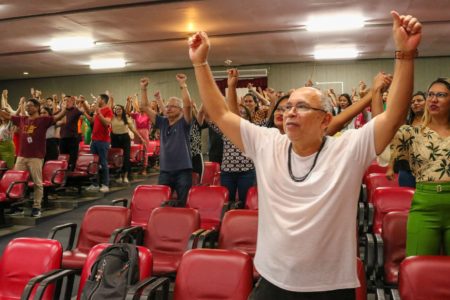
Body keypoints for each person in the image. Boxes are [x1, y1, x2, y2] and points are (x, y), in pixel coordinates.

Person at [188, 10, 421, 299]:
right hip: (273, 279)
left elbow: (394, 115)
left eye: (301, 107)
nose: (289, 112)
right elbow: (221, 113)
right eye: (287, 107)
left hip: (330, 285)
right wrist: (200, 62)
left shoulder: (348, 149)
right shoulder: (267, 143)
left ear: (325, 120)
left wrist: (404, 55)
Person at [388, 78, 450, 256]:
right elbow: (382, 126)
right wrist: (376, 93)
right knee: (418, 265)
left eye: (441, 95)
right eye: (430, 95)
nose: (433, 99)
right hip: (424, 206)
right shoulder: (411, 133)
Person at [0, 98, 67, 217]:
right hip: (21, 156)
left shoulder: (43, 120)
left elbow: (57, 117)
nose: (27, 108)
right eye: (27, 106)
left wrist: (65, 108)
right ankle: (17, 206)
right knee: (16, 181)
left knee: (37, 183)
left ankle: (37, 207)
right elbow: (7, 115)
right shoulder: (22, 119)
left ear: (36, 108)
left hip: (36, 157)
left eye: (30, 106)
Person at [140, 76, 193, 206]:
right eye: (167, 106)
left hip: (183, 171)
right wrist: (143, 89)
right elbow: (145, 107)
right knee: (162, 204)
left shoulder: (184, 122)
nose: (168, 108)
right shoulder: (162, 122)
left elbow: (188, 105)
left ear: (180, 110)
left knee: (183, 203)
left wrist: (183, 85)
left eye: (172, 106)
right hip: (165, 171)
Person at [386, 91, 426, 187]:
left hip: (427, 170)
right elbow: (396, 146)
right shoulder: (405, 124)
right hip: (406, 170)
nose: (415, 103)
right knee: (407, 200)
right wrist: (390, 167)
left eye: (419, 100)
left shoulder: (435, 123)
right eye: (412, 102)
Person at [84, 94, 113, 193]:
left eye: (98, 99)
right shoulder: (98, 111)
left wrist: (99, 113)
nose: (97, 100)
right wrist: (85, 113)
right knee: (94, 163)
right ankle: (95, 184)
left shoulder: (108, 110)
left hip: (103, 141)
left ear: (103, 100)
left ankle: (105, 184)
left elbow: (107, 123)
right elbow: (92, 121)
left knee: (103, 163)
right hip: (95, 140)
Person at [111, 104, 144, 183]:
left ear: (122, 110)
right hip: (114, 138)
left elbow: (133, 129)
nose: (118, 110)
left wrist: (140, 137)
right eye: (116, 109)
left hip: (125, 138)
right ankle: (118, 175)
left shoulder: (126, 118)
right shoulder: (112, 118)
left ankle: (125, 176)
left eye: (119, 109)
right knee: (117, 158)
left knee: (126, 157)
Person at [59, 96, 83, 171]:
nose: (66, 102)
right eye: (65, 100)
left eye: (68, 101)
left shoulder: (76, 110)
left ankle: (71, 174)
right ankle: (63, 174)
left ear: (72, 102)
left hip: (73, 138)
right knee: (63, 157)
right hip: (62, 138)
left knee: (72, 158)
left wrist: (81, 102)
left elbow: (84, 111)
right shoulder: (61, 111)